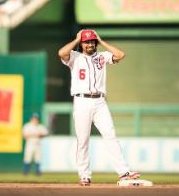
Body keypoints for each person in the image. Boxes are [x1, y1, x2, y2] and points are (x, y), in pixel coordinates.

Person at [58, 29, 140, 186]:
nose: (89, 44)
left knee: (110, 135)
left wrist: (101, 40)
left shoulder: (102, 56)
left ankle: (124, 173)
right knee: (83, 141)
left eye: (91, 41)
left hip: (100, 101)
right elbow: (61, 53)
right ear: (81, 43)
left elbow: (120, 55)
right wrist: (76, 39)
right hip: (81, 100)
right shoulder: (75, 57)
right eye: (86, 41)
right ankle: (84, 175)